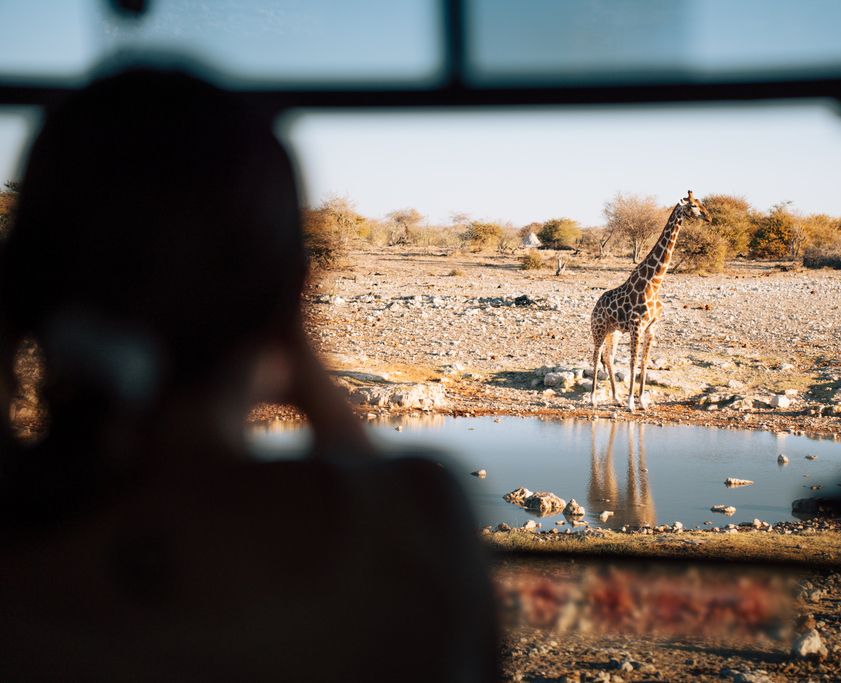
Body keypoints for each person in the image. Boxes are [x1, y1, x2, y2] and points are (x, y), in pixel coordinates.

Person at [0, 66, 497, 681]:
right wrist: (310, 373)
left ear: (30, 284)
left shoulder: (24, 544)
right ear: (287, 296)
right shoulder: (410, 526)